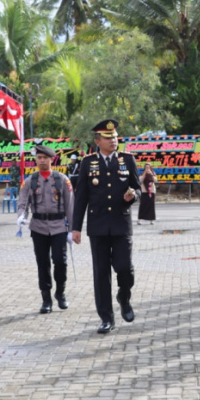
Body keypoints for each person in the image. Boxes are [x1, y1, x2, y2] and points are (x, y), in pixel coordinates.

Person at [72, 119, 141, 334]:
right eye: (108, 138)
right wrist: (76, 227)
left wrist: (132, 195)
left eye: (115, 137)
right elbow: (81, 197)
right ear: (97, 141)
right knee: (101, 274)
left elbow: (138, 189)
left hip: (121, 224)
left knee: (125, 268)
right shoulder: (88, 163)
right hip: (98, 226)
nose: (113, 141)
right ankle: (106, 318)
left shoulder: (127, 160)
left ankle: (124, 297)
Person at [17, 144, 75, 314]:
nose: (42, 161)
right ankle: (46, 298)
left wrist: (72, 230)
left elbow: (70, 206)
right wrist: (21, 216)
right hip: (38, 227)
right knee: (42, 263)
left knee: (60, 261)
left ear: (51, 160)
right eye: (39, 158)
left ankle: (60, 292)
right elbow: (23, 202)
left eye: (45, 158)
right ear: (36, 160)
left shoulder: (62, 180)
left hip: (59, 227)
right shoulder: (30, 181)